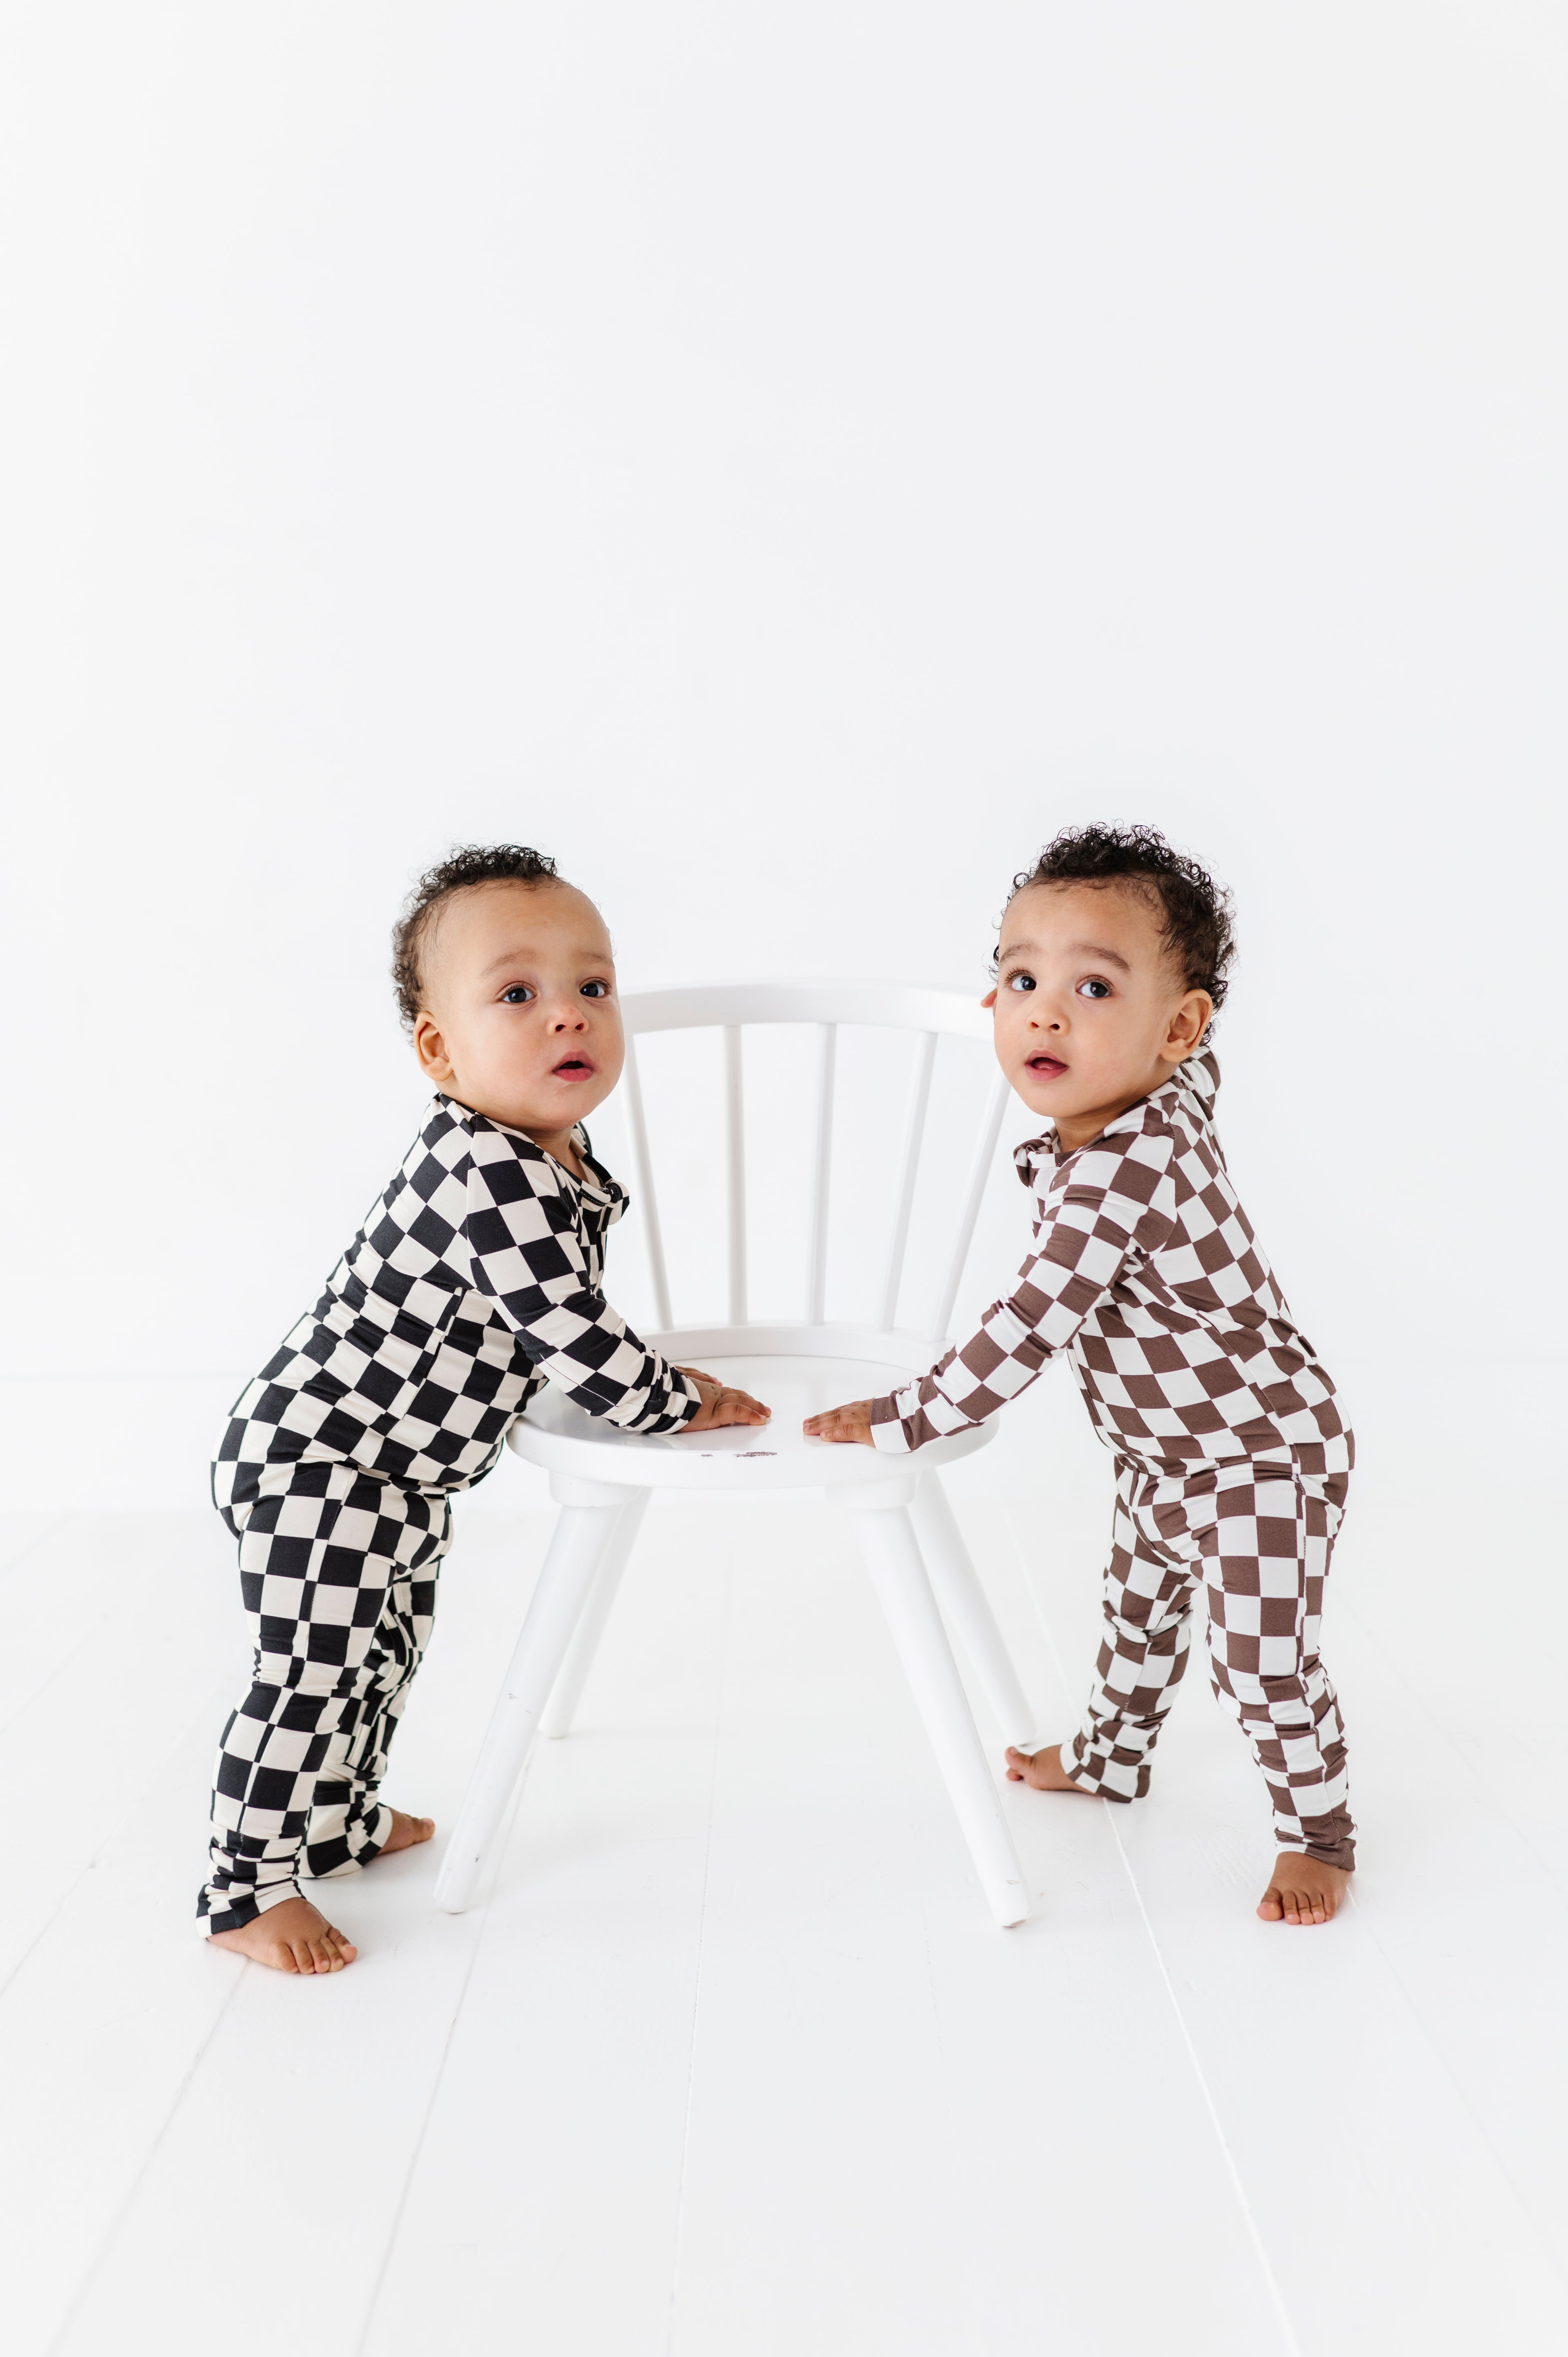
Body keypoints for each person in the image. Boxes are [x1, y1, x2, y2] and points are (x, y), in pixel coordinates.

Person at [200, 843, 769, 1973]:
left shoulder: (543, 1153)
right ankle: (243, 1882)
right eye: (518, 994)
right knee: (311, 1668)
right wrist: (669, 1400)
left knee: (383, 1651)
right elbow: (565, 1328)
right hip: (321, 1461)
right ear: (438, 1048)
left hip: (398, 1470)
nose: (569, 1016)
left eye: (592, 988)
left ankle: (340, 1819)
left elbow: (561, 1313)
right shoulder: (487, 1169)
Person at [805, 824, 1355, 1927]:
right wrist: (1146, 1025)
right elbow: (1200, 1068)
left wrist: (902, 1418)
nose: (1043, 1011)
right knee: (1136, 1612)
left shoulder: (1119, 1172)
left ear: (1176, 1024)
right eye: (1019, 978)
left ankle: (1318, 1832)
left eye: (1092, 986)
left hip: (1259, 1452)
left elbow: (1024, 1330)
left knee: (1256, 1659)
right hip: (1165, 1452)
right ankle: (1111, 1757)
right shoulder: (1158, 1096)